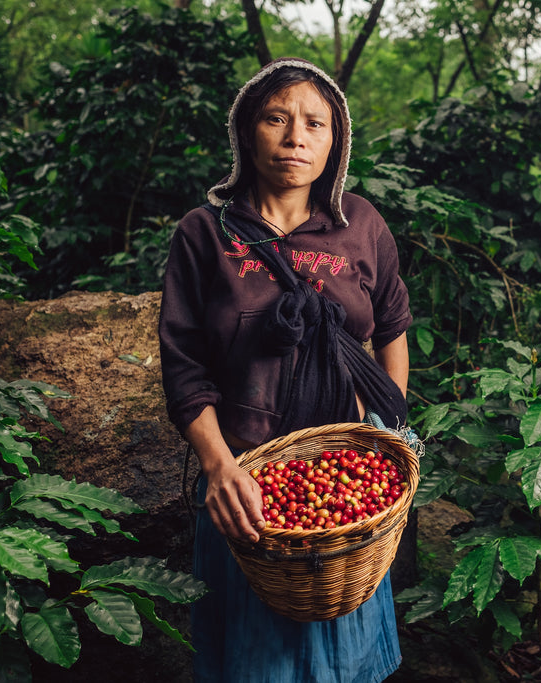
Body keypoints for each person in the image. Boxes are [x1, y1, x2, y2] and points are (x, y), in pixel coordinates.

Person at [158, 57, 411, 683]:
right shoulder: (203, 234)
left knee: (346, 658)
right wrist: (219, 469)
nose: (297, 137)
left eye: (315, 124)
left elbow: (391, 331)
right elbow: (183, 366)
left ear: (336, 141)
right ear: (248, 132)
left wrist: (380, 440)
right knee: (255, 663)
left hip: (345, 491)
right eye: (277, 118)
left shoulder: (362, 226)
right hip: (246, 484)